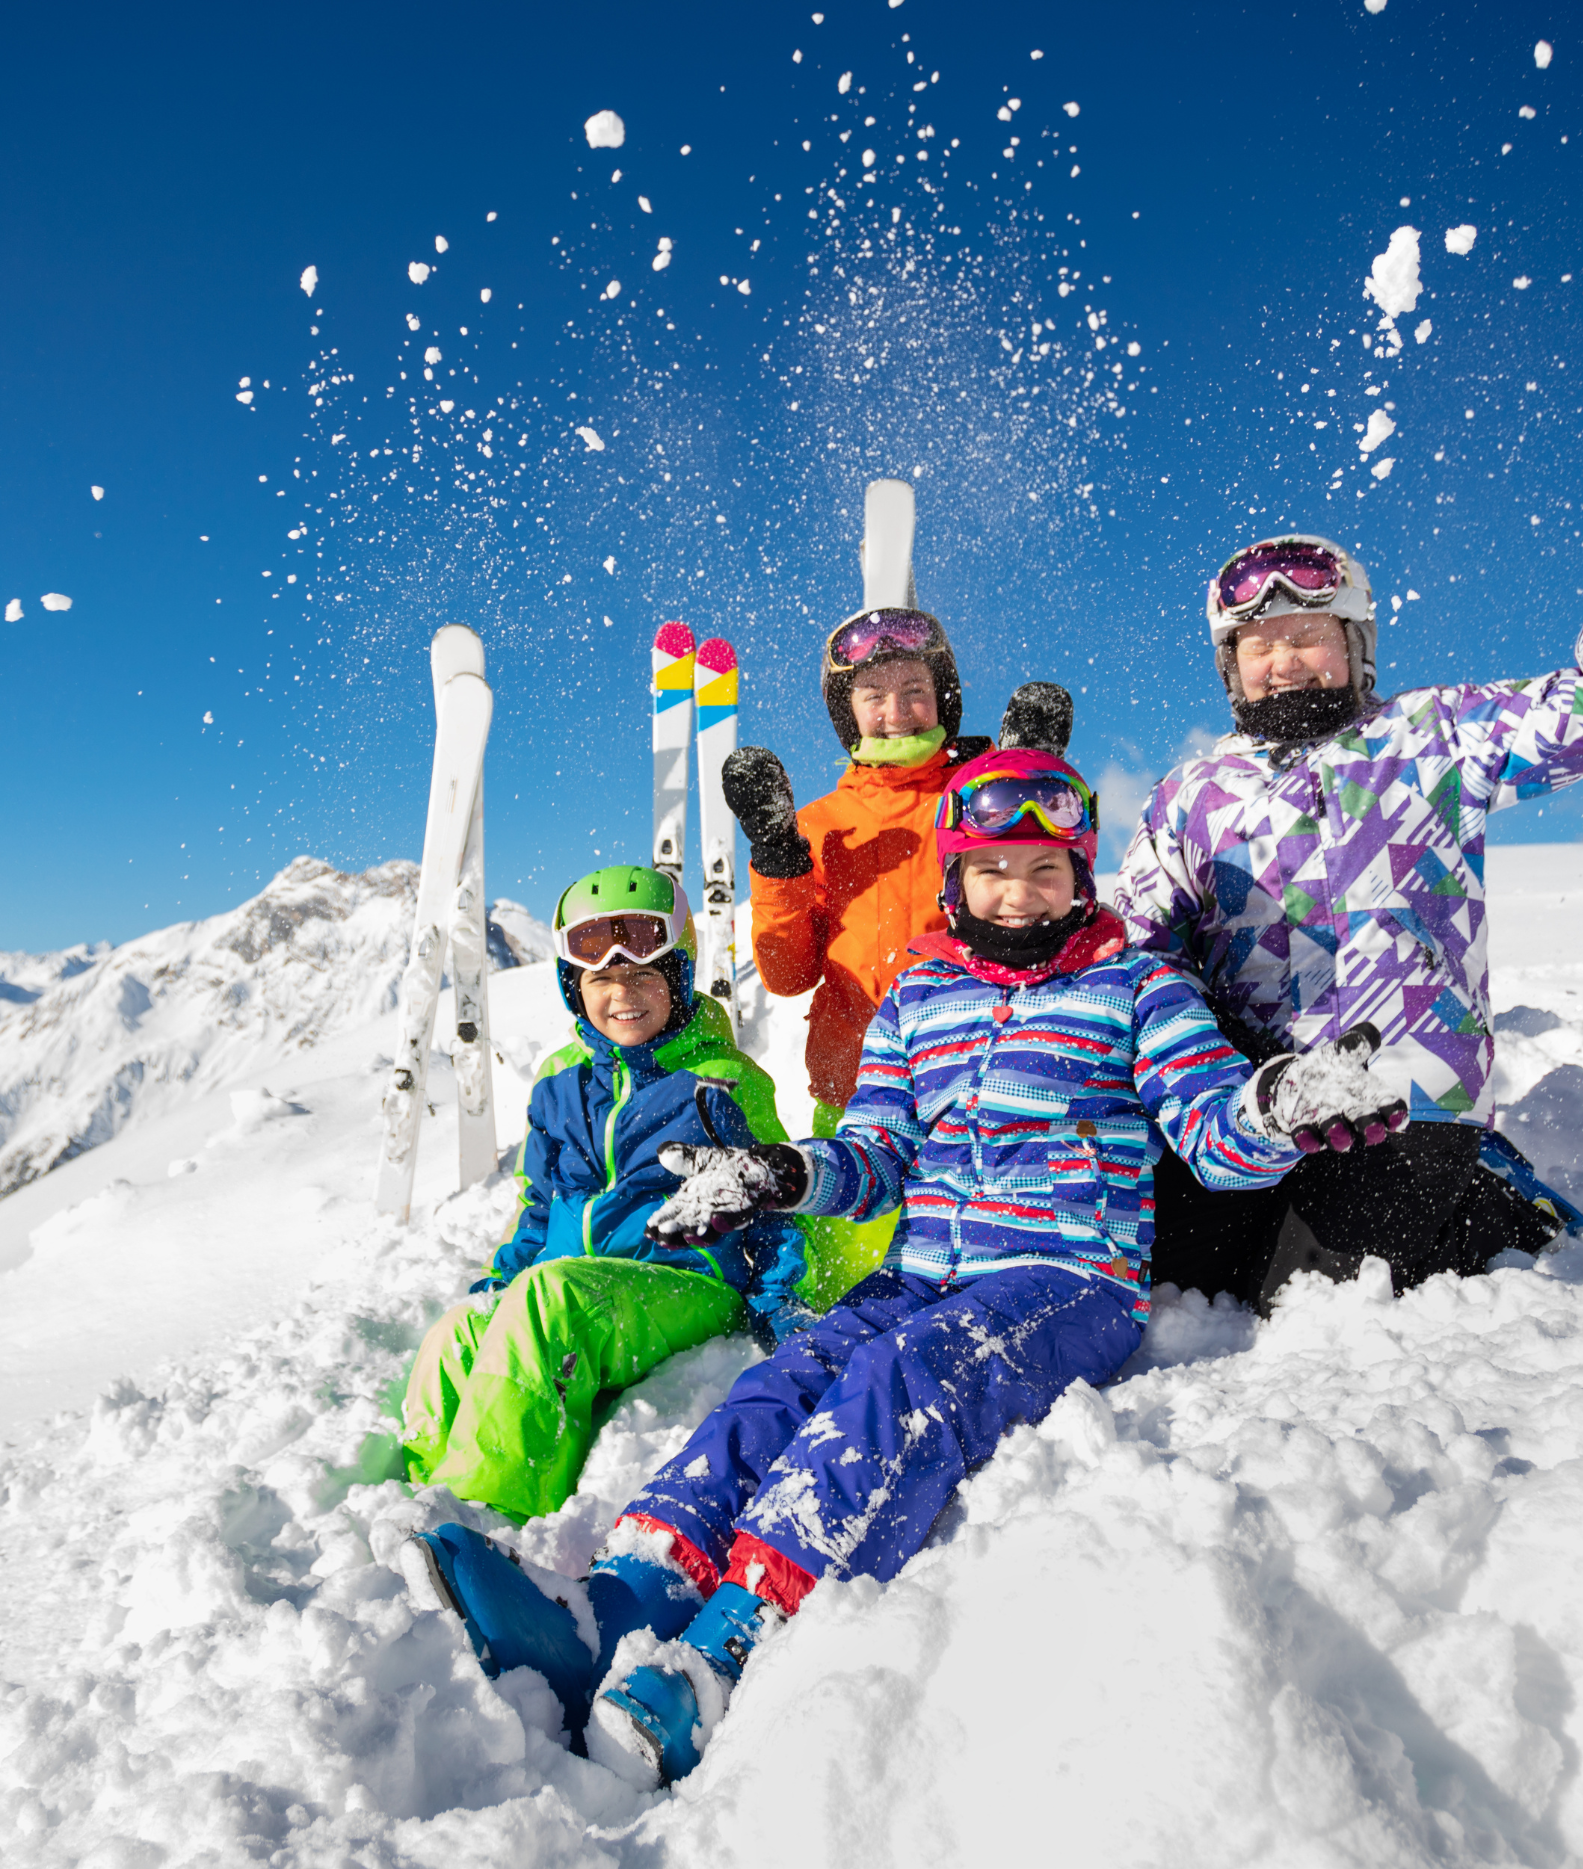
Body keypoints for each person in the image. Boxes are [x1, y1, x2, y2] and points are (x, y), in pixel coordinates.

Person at [397, 750, 1396, 1776]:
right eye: (992, 870)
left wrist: (1277, 1107)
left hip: (1064, 1274)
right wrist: (779, 1176)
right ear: (956, 876)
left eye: (1043, 869)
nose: (1017, 893)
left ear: (1079, 875)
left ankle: (727, 1647)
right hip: (919, 1271)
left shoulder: (1135, 986)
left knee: (899, 1380)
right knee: (780, 1384)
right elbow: (872, 1152)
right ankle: (619, 1603)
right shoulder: (921, 992)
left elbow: (1212, 1131)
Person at [1115, 378, 1583, 1305]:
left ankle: (1487, 1200)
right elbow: (1130, 944)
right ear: (1230, 668)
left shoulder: (1436, 735)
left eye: (1309, 634)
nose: (1284, 657)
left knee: (1313, 1305)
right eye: (1259, 644)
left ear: (1356, 644)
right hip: (1247, 1109)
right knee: (1160, 1284)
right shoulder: (1192, 793)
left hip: (1399, 1105)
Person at [395, 864, 800, 1527]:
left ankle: (488, 1512)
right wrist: (500, 1282)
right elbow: (541, 1203)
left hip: (684, 1285)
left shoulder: (719, 1080)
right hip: (582, 1290)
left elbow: (774, 1201)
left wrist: (781, 1301)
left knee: (549, 1300)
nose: (624, 995)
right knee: (456, 1334)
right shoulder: (558, 1083)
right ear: (572, 987)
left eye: (644, 975)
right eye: (601, 979)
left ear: (678, 977)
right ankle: (427, 1502)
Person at [719, 601, 1072, 1305]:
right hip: (853, 1105)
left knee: (989, 1296)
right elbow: (788, 977)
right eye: (873, 696)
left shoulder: (984, 799)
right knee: (852, 1303)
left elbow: (1053, 909)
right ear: (848, 713)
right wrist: (778, 857)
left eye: (915, 690)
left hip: (987, 1095)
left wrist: (1030, 775)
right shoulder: (820, 824)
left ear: (942, 696)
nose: (898, 711)